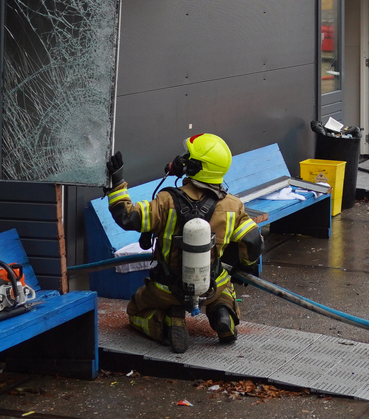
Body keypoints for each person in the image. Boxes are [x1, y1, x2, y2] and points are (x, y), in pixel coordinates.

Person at [105, 133, 263, 353]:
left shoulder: (166, 201)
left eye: (188, 156)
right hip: (211, 287)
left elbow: (127, 217)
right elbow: (253, 240)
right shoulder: (232, 206)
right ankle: (222, 313)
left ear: (195, 166)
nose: (182, 159)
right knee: (226, 288)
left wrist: (116, 184)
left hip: (166, 288)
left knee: (135, 309)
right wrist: (246, 264)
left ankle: (167, 324)